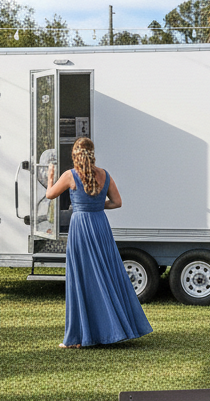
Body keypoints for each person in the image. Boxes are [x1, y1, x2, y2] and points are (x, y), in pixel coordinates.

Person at [45, 137, 152, 347]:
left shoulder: (70, 175)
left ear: (75, 154)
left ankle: (78, 338)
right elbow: (117, 203)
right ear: (92, 153)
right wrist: (95, 207)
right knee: (107, 275)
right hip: (100, 226)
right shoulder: (105, 175)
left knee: (82, 279)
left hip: (81, 229)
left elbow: (50, 195)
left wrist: (50, 176)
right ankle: (115, 328)